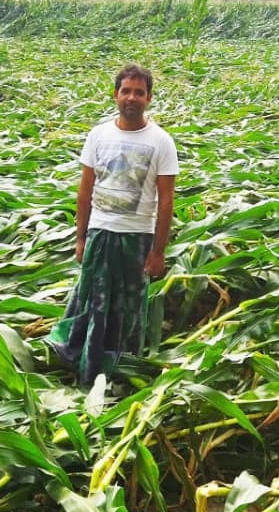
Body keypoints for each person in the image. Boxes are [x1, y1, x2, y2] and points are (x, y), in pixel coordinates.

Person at [46, 63, 179, 384]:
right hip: (100, 233)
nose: (132, 97)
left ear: (149, 98)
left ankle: (122, 363)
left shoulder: (161, 142)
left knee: (128, 305)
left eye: (139, 92)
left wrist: (158, 252)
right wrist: (80, 238)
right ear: (116, 95)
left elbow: (166, 201)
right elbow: (85, 189)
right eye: (126, 91)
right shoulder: (99, 135)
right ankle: (80, 356)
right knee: (91, 298)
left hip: (136, 238)